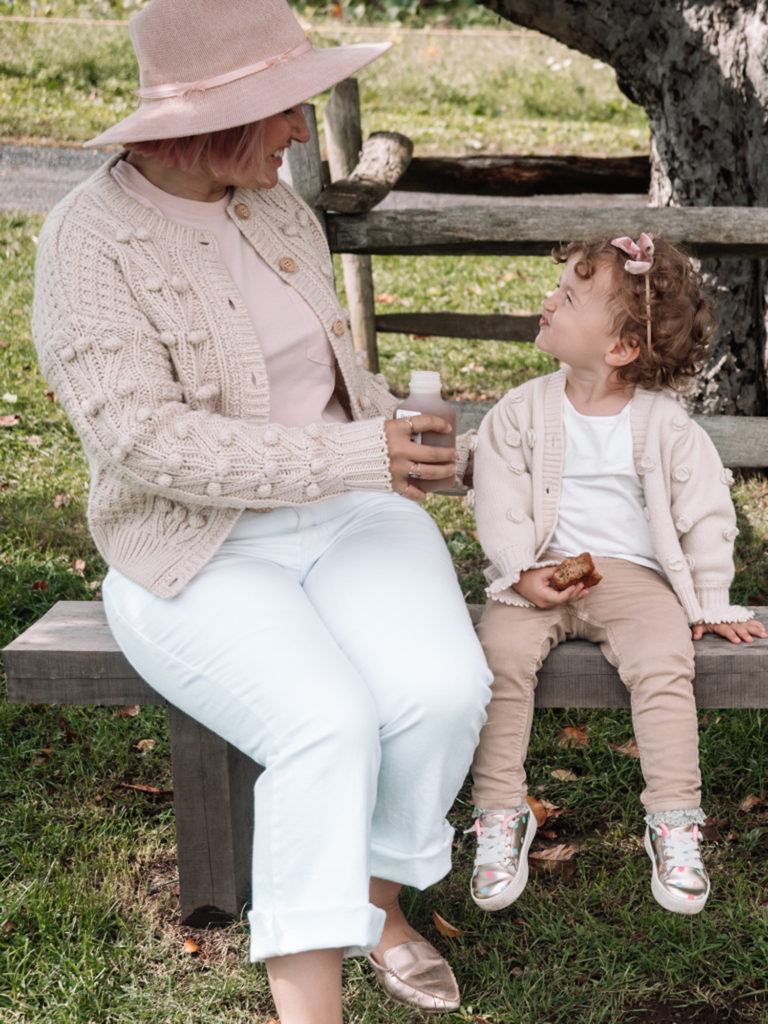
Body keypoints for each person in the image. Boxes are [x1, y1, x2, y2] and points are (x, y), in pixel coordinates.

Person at [31, 1, 493, 1020]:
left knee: (445, 686)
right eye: (285, 110)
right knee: (326, 722)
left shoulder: (274, 204)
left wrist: (415, 448)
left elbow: (324, 381)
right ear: (214, 122)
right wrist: (353, 453)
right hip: (193, 551)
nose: (298, 132)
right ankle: (309, 1006)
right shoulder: (88, 243)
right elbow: (143, 443)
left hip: (349, 510)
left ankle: (378, 905)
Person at [467, 234, 766, 918]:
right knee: (499, 657)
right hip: (539, 573)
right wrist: (519, 572)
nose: (549, 302)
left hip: (629, 579)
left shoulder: (663, 424)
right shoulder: (522, 410)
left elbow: (706, 513)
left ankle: (674, 818)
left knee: (664, 661)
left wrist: (712, 601)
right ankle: (500, 814)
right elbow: (499, 494)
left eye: (569, 298)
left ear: (622, 348)